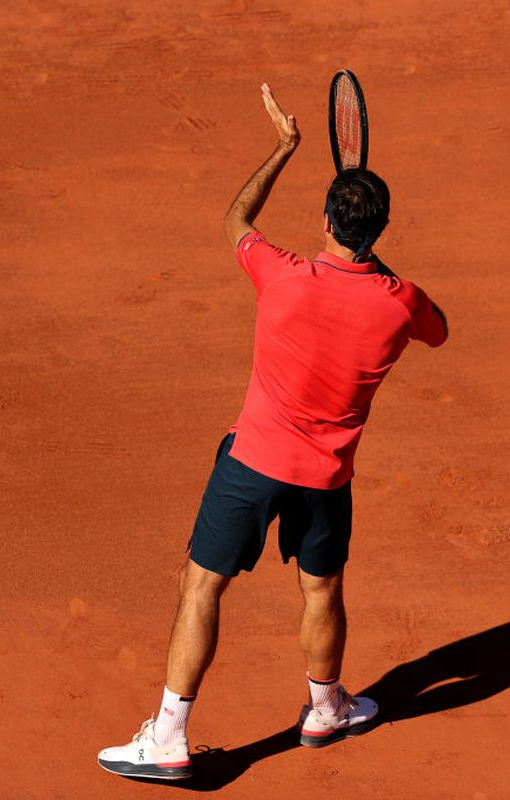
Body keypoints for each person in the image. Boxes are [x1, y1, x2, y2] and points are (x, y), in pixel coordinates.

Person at [97, 83, 448, 781]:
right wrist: (382, 275)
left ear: (325, 219)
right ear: (379, 230)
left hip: (252, 462)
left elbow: (235, 217)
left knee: (202, 587)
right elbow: (436, 329)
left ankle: (169, 736)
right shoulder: (400, 304)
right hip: (327, 478)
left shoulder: (280, 275)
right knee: (322, 591)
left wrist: (283, 147)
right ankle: (325, 709)